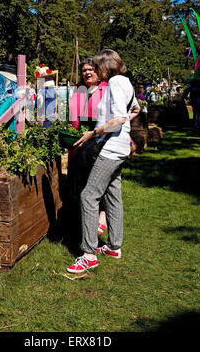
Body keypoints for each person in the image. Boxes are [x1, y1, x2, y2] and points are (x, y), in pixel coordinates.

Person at [67, 49, 140, 273]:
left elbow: (118, 120)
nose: (95, 70)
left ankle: (89, 254)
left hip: (110, 146)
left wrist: (94, 133)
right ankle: (114, 247)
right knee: (112, 194)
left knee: (88, 195)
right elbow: (134, 109)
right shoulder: (125, 82)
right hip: (120, 147)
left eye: (98, 66)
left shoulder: (116, 82)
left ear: (106, 66)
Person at [68, 58, 108, 237]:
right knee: (80, 180)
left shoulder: (106, 89)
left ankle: (103, 216)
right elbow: (72, 115)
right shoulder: (78, 89)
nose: (88, 73)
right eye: (84, 70)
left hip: (100, 138)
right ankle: (81, 218)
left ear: (98, 72)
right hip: (80, 140)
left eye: (91, 69)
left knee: (99, 181)